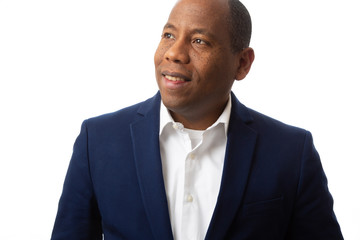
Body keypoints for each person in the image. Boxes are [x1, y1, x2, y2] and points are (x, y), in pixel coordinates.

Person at [51, 0, 343, 239]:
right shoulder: (98, 140)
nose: (174, 53)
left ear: (242, 63)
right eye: (168, 35)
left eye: (199, 41)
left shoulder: (291, 152)